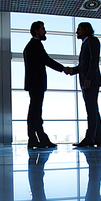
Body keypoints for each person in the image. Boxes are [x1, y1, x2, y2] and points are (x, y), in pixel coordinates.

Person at [24, 21, 66, 149]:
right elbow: (46, 60)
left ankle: (40, 138)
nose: (45, 31)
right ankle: (34, 139)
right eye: (43, 29)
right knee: (35, 112)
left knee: (36, 112)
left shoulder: (30, 46)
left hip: (33, 83)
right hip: (36, 83)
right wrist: (63, 69)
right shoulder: (35, 45)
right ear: (36, 31)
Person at [67, 22, 101, 147]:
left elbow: (94, 61)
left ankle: (90, 138)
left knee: (91, 110)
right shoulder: (85, 43)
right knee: (93, 110)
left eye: (79, 29)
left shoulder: (93, 41)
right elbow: (84, 65)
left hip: (90, 82)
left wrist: (88, 78)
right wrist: (72, 70)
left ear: (86, 30)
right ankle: (97, 138)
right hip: (87, 81)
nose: (77, 32)